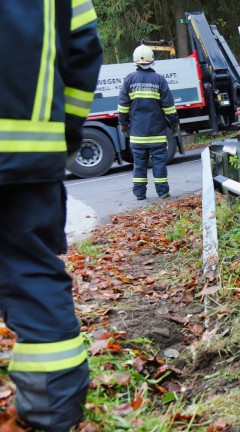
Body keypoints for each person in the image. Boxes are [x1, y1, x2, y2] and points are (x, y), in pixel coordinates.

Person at [0, 1, 103, 431]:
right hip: (28, 153)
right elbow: (83, 49)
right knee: (32, 275)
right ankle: (54, 414)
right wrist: (64, 138)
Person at [118, 45, 179, 201]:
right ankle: (163, 192)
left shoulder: (129, 80)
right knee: (159, 163)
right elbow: (169, 106)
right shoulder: (159, 80)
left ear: (136, 62)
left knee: (139, 164)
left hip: (137, 134)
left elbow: (123, 106)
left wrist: (123, 124)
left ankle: (139, 193)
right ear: (152, 61)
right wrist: (174, 124)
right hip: (157, 133)